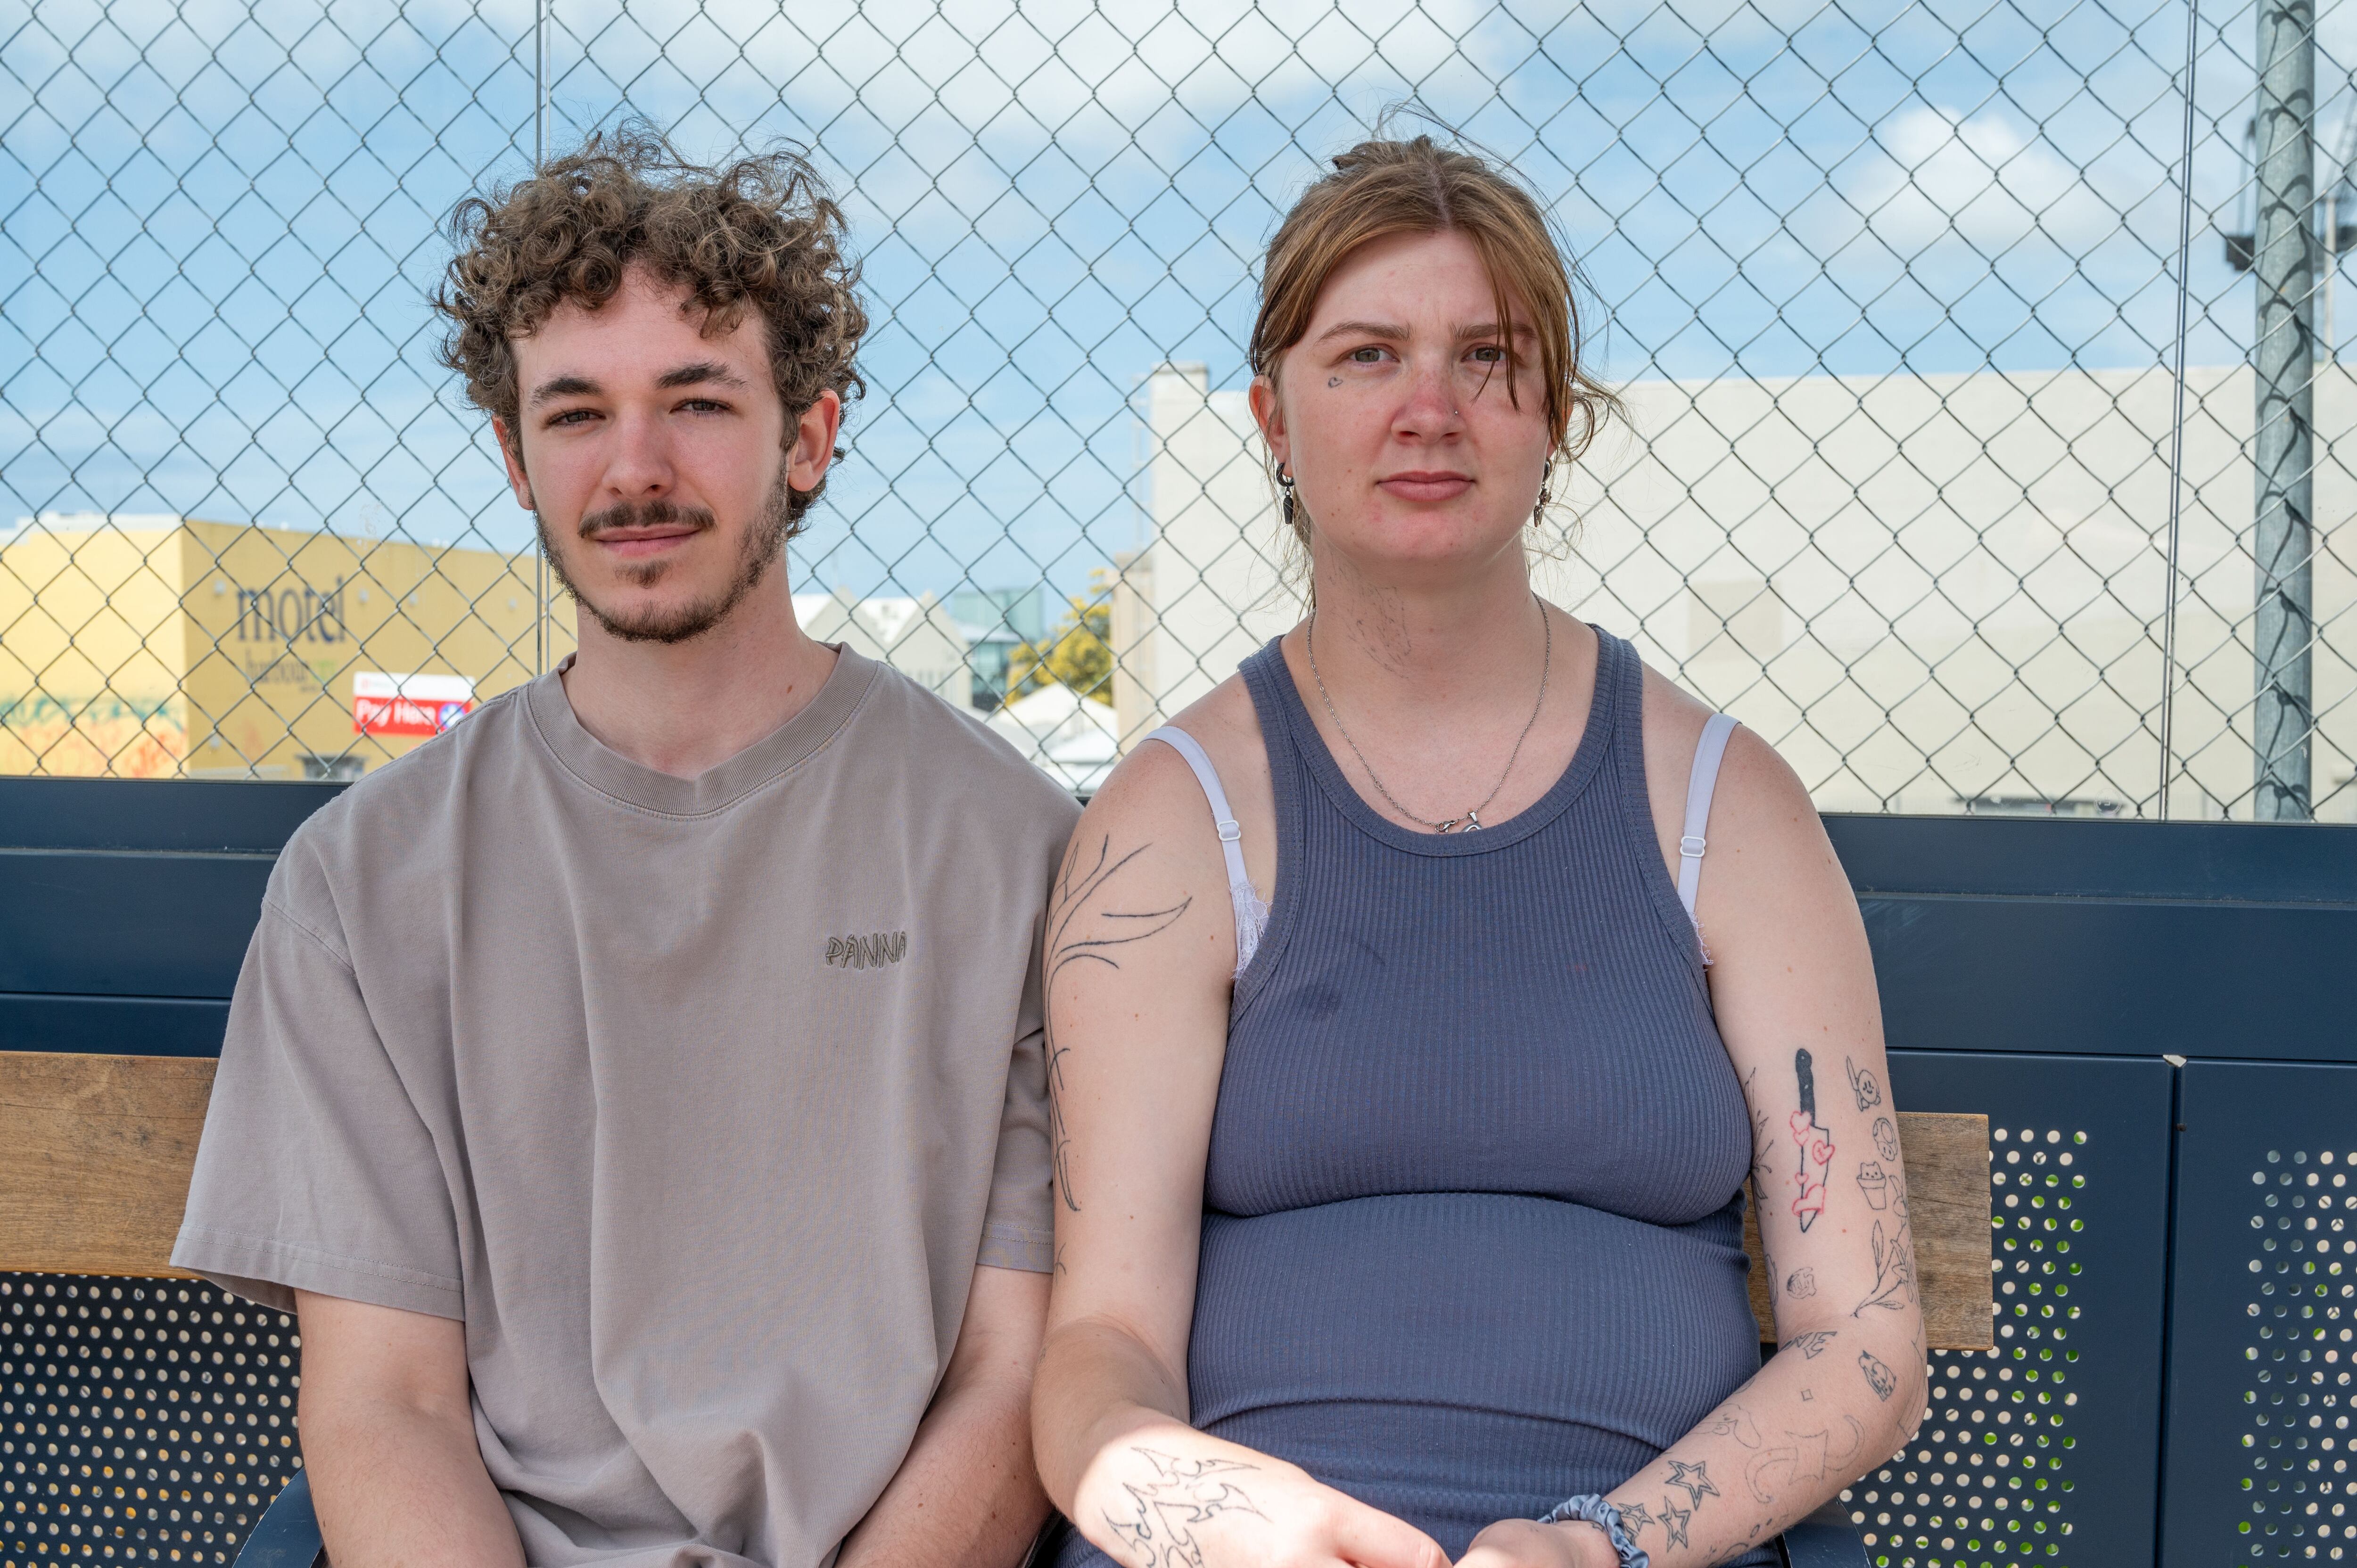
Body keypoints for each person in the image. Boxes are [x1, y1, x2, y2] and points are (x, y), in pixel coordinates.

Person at [172, 130, 1078, 1568]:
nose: (636, 468)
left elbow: (1011, 1374)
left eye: (699, 401)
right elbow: (386, 1408)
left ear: (810, 437)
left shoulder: (1016, 847)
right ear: (514, 456)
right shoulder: (362, 886)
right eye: (577, 411)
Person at [1030, 136, 1928, 1568]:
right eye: (1368, 357)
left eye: (1489, 357)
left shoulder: (1726, 806)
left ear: (1554, 414)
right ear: (1273, 416)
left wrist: (1600, 1548)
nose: (1430, 410)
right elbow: (1099, 1345)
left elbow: (1867, 1339)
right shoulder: (1169, 822)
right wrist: (1222, 1525)